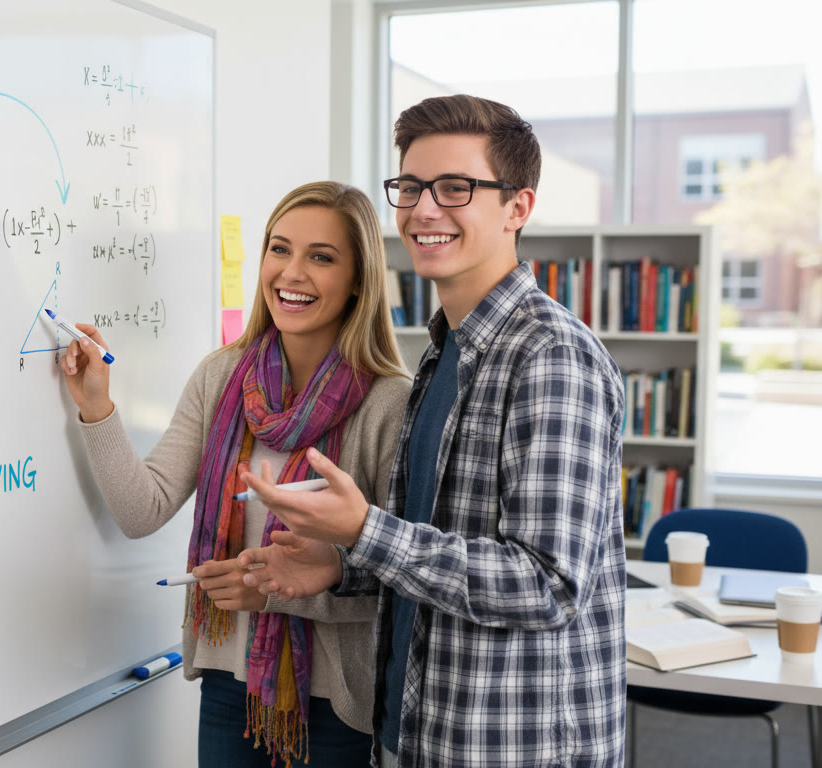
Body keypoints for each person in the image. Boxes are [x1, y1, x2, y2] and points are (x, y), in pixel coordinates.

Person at [237, 95, 628, 768]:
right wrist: (341, 562)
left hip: (509, 746)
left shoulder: (551, 357)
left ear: (517, 207)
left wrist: (364, 531)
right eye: (411, 186)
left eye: (456, 188)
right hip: (417, 732)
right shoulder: (444, 350)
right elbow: (436, 538)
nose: (423, 209)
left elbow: (546, 584)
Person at [60, 181, 411, 766]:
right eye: (279, 249)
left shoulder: (390, 403)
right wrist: (96, 404)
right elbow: (141, 509)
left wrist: (273, 594)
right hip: (230, 684)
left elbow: (402, 578)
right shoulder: (221, 376)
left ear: (358, 279)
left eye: (321, 257)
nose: (291, 273)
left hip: (338, 703)